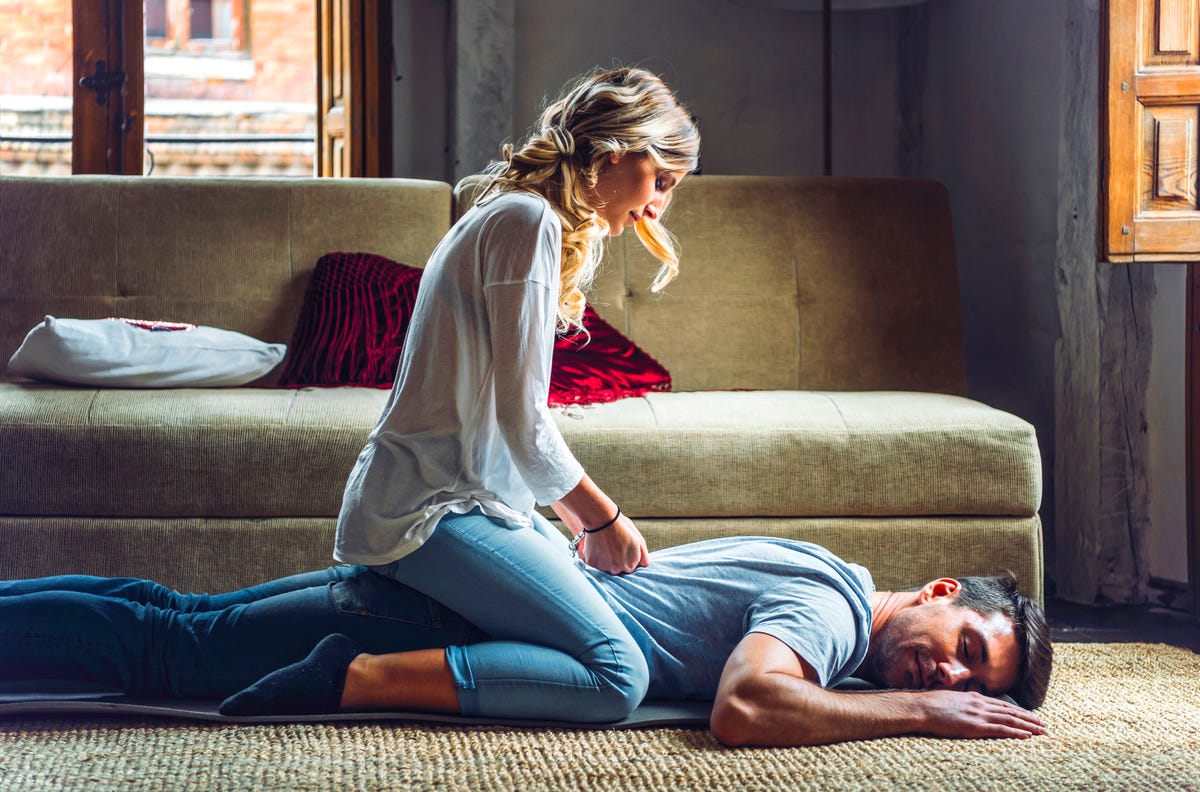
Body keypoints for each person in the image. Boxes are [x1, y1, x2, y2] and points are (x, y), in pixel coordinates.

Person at [326, 65, 699, 723]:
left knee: (203, 624)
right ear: (615, 153)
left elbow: (507, 432)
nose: (659, 204)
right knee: (617, 674)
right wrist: (600, 521)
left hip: (461, 503)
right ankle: (356, 678)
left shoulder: (521, 217)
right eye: (662, 180)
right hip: (433, 511)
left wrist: (546, 528)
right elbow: (523, 420)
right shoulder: (528, 222)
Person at [0, 535, 1053, 747]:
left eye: (970, 677)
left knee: (176, 619)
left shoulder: (819, 565)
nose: (948, 670)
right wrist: (918, 713)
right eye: (963, 643)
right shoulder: (824, 616)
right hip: (440, 618)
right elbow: (745, 706)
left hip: (443, 602)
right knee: (166, 650)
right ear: (939, 588)